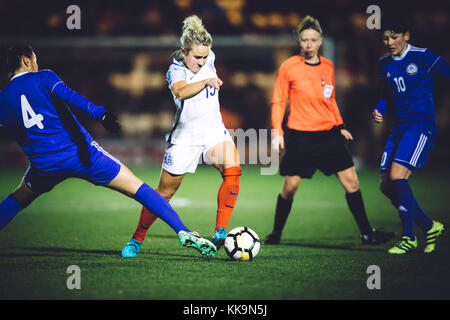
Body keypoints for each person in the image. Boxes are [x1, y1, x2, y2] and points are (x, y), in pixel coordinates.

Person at [0, 45, 217, 257]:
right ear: (27, 61)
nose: (37, 64)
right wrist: (100, 114)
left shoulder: (3, 99)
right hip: (81, 155)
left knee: (18, 199)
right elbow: (70, 96)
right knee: (137, 188)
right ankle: (183, 231)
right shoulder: (43, 77)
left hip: (44, 167)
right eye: (35, 60)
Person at [265, 15, 394, 245]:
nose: (308, 44)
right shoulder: (289, 67)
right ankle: (276, 233)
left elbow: (330, 99)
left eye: (313, 40)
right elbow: (278, 100)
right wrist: (277, 131)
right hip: (300, 135)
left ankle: (367, 233)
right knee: (290, 186)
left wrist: (340, 125)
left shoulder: (328, 66)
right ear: (299, 41)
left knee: (352, 183)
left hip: (328, 135)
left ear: (320, 41)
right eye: (304, 40)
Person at [121, 15, 241, 257]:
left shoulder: (208, 57)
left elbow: (202, 40)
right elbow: (182, 91)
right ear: (185, 51)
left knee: (233, 168)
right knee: (163, 194)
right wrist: (206, 80)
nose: (202, 60)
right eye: (197, 57)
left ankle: (220, 230)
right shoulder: (175, 71)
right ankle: (137, 239)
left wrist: (197, 27)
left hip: (213, 131)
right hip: (185, 137)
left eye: (206, 56)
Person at [372, 15, 449, 254]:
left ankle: (409, 237)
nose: (389, 42)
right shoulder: (385, 62)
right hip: (398, 128)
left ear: (407, 35)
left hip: (420, 126)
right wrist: (379, 109)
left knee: (398, 175)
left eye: (394, 37)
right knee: (386, 186)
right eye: (385, 38)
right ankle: (429, 225)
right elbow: (387, 96)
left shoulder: (424, 56)